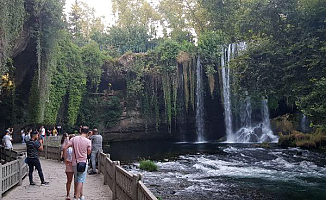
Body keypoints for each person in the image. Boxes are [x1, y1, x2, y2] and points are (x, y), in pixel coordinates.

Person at [63, 127, 91, 200]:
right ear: (88, 133)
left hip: (74, 162)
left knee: (77, 179)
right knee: (80, 180)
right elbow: (89, 152)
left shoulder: (73, 139)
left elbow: (65, 147)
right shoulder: (88, 141)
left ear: (80, 131)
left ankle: (80, 196)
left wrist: (65, 158)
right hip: (83, 162)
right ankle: (78, 197)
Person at [64, 134, 75, 200]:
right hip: (72, 165)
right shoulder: (69, 148)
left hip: (71, 165)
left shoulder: (68, 148)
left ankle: (72, 193)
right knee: (71, 180)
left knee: (71, 180)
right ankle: (69, 193)